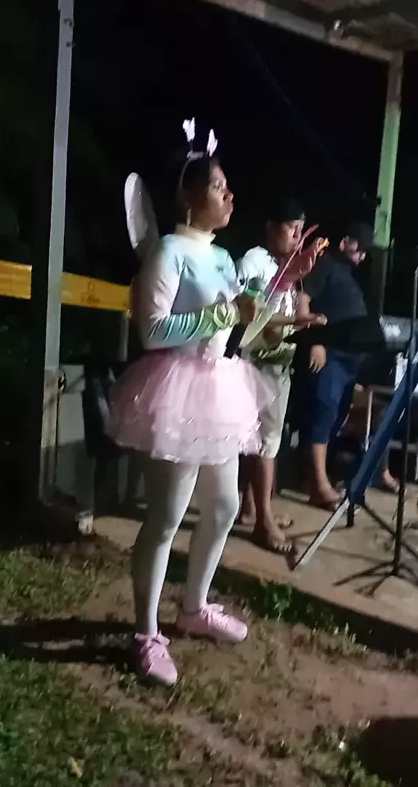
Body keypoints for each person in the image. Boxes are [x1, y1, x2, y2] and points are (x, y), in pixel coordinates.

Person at [107, 142, 275, 686]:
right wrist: (221, 315)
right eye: (218, 187)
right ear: (188, 195)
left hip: (220, 390)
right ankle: (145, 633)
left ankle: (194, 607)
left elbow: (236, 327)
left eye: (227, 188)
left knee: (225, 505)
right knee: (166, 518)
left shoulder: (223, 258)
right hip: (175, 389)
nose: (230, 196)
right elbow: (153, 331)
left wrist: (267, 316)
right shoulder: (169, 252)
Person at [237, 200, 326, 553]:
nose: (297, 237)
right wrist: (294, 316)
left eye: (301, 230)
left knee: (261, 440)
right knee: (266, 442)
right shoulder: (255, 261)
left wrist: (303, 321)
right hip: (257, 362)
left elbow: (286, 316)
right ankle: (264, 522)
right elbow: (253, 316)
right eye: (291, 228)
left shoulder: (288, 267)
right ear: (271, 227)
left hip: (278, 362)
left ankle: (252, 508)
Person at [294, 221, 374, 509]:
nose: (362, 255)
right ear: (344, 242)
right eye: (359, 248)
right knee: (322, 414)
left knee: (334, 416)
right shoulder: (324, 264)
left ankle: (311, 478)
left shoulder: (348, 274)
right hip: (330, 356)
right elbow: (302, 300)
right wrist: (314, 341)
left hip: (348, 362)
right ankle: (319, 486)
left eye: (365, 252)